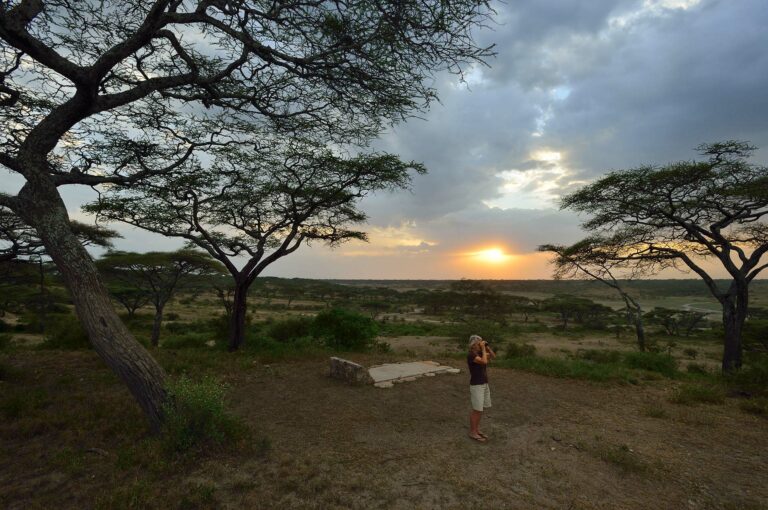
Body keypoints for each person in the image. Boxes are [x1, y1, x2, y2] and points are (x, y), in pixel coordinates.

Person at [467, 334, 495, 443]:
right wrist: (483, 349)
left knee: (480, 409)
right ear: (474, 344)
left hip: (484, 383)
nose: (480, 344)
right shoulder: (471, 355)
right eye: (479, 343)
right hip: (476, 385)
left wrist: (487, 347)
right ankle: (472, 432)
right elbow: (484, 361)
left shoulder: (480, 353)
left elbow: (493, 356)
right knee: (477, 410)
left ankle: (476, 430)